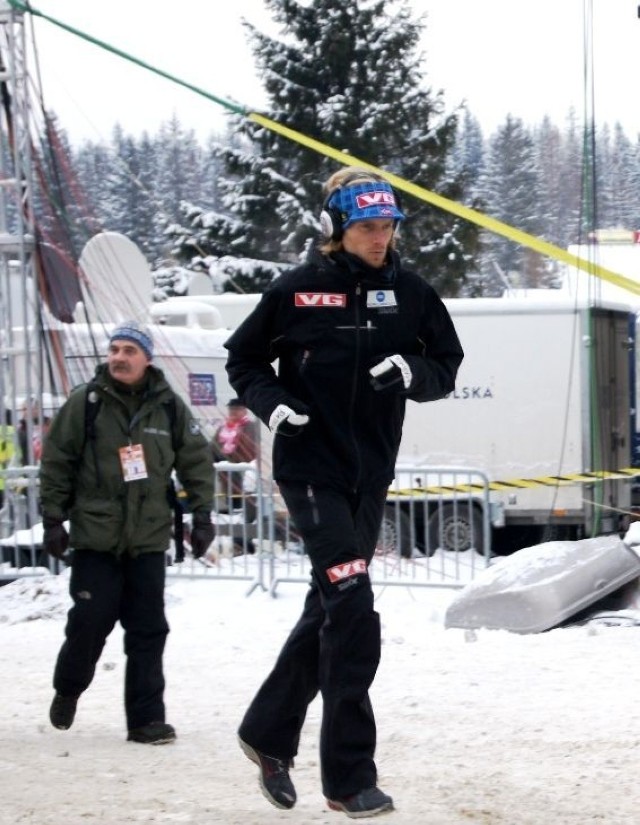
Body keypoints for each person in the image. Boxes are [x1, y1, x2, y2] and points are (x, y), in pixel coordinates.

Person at [224, 167, 464, 817]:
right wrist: (271, 404)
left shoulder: (411, 293)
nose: (379, 238)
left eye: (387, 227)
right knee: (353, 607)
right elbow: (242, 360)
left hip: (370, 475)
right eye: (366, 227)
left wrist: (414, 369)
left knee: (332, 605)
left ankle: (266, 732)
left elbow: (447, 363)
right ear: (334, 229)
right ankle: (349, 777)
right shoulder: (296, 292)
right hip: (308, 471)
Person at [39, 320, 215, 745]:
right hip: (96, 539)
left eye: (129, 350)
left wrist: (203, 514)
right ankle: (69, 688)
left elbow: (195, 461)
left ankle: (146, 720)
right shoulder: (87, 403)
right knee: (89, 623)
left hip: (149, 539)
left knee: (148, 629)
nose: (119, 357)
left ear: (146, 359)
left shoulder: (169, 408)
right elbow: (58, 462)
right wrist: (52, 519)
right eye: (114, 349)